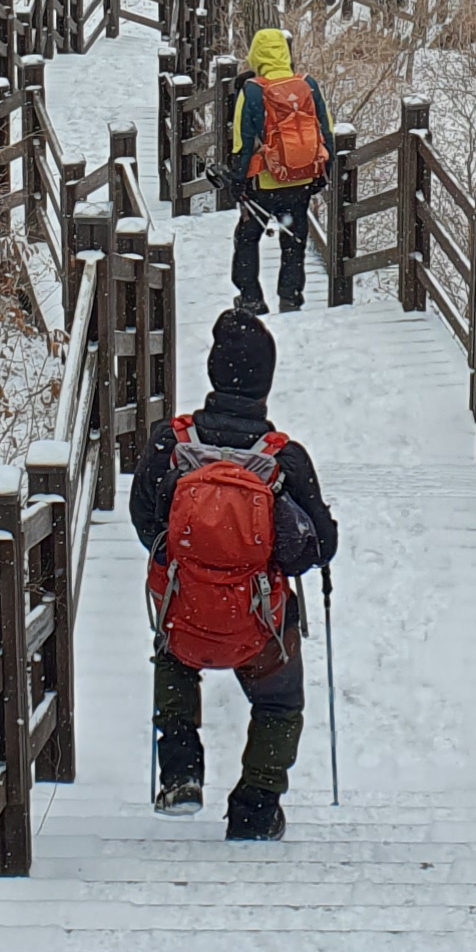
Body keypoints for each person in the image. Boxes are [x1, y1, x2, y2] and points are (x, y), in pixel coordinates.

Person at [136, 307, 338, 837]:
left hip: (185, 611)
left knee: (172, 653)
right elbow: (318, 547)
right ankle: (255, 807)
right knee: (280, 702)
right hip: (258, 623)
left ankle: (180, 772)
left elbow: (145, 523)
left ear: (213, 371)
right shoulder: (284, 457)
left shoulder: (171, 442)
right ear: (266, 380)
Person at [223, 26, 330, 311]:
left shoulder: (252, 90)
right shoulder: (308, 85)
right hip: (300, 180)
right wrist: (324, 172)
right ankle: (290, 297)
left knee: (247, 238)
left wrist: (238, 180)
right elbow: (326, 131)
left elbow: (243, 142)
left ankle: (251, 298)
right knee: (294, 240)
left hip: (264, 183)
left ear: (255, 54)